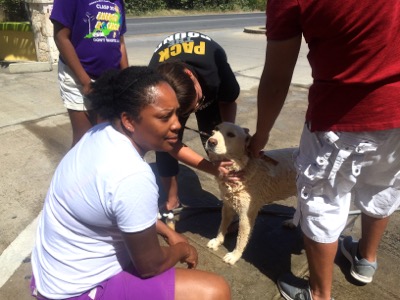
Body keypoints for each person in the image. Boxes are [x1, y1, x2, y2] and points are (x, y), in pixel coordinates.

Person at [30, 66, 231, 300]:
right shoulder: (132, 175)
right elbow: (150, 266)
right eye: (165, 116)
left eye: (177, 113)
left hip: (51, 271)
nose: (177, 124)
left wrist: (166, 230)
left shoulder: (100, 133)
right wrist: (181, 249)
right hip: (76, 291)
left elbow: (114, 206)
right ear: (129, 121)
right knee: (214, 291)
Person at [247, 1, 400, 300]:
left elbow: (277, 80)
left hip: (337, 119)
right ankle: (365, 260)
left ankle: (318, 294)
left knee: (323, 201)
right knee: (383, 186)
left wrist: (261, 134)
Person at [149, 31, 240, 213]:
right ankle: (172, 200)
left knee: (218, 146)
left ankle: (230, 207)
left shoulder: (216, 72)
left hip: (209, 89)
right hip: (174, 91)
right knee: (164, 149)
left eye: (197, 102)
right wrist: (211, 168)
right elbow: (168, 144)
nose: (196, 109)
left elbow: (228, 101)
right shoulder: (152, 84)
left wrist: (228, 139)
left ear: (191, 75)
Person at [50, 0, 129, 147]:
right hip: (77, 77)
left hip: (111, 79)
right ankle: (77, 170)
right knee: (84, 140)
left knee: (109, 135)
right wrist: (85, 81)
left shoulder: (117, 2)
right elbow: (61, 38)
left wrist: (127, 79)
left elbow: (120, 42)